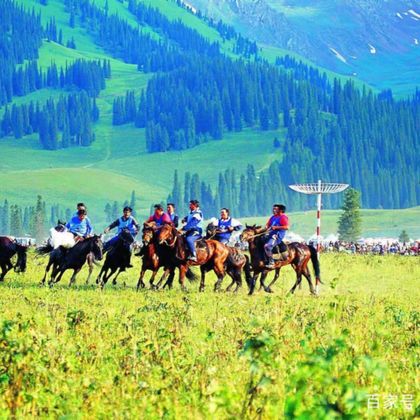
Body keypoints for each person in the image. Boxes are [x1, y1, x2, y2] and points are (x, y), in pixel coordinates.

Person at [264, 204, 289, 268]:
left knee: (267, 246)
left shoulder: (283, 217)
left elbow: (287, 227)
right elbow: (268, 225)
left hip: (277, 235)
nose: (273, 210)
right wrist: (266, 227)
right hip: (270, 233)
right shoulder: (273, 217)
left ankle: (271, 262)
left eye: (275, 209)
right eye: (273, 208)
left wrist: (276, 227)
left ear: (280, 210)